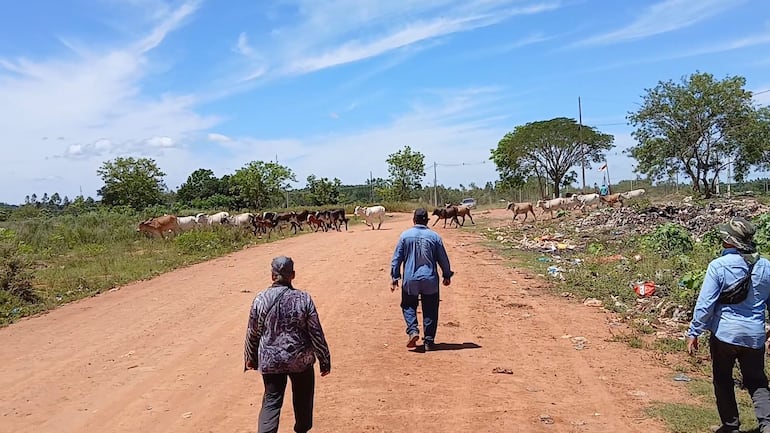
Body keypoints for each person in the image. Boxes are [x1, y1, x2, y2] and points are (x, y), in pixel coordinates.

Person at [687, 217, 770, 433]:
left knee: (723, 379)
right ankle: (767, 424)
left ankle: (731, 426)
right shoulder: (765, 266)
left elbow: (705, 304)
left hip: (724, 335)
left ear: (730, 242)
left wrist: (694, 331)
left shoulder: (718, 266)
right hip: (754, 336)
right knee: (757, 381)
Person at [244, 256, 331, 433]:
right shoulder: (303, 299)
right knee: (303, 398)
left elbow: (252, 332)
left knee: (271, 400)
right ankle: (302, 429)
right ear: (293, 275)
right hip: (300, 360)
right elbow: (316, 332)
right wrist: (324, 359)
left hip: (271, 360)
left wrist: (250, 358)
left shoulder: (260, 299)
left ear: (272, 275)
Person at [390, 208, 454, 351]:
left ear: (414, 220)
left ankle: (413, 331)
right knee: (430, 308)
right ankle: (429, 342)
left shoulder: (405, 236)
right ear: (427, 221)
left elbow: (396, 259)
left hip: (410, 279)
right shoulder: (435, 237)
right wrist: (447, 275)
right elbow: (443, 258)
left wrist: (394, 277)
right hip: (430, 279)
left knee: (408, 305)